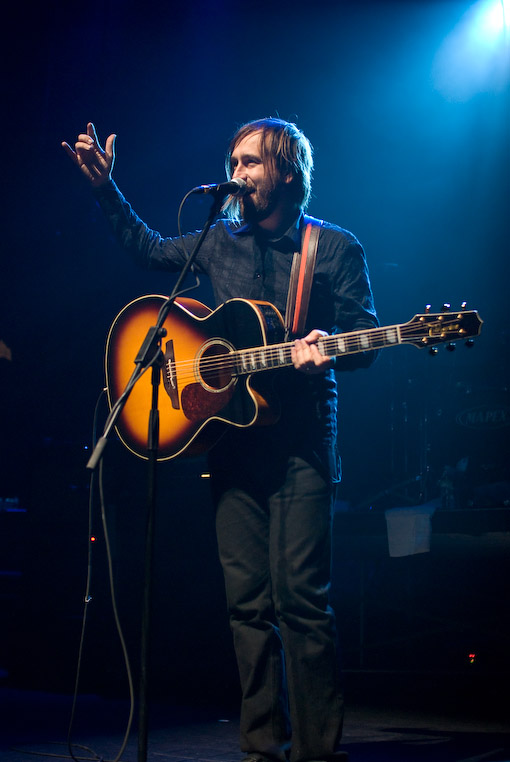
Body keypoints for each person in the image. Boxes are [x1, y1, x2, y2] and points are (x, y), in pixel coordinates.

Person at [63, 118, 378, 762]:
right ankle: (262, 747)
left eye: (250, 163)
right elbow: (149, 251)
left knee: (302, 604)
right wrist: (106, 189)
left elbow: (365, 336)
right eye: (233, 162)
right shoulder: (218, 242)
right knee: (246, 606)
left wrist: (329, 351)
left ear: (286, 173)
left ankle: (319, 753)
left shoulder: (334, 248)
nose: (236, 174)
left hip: (302, 448)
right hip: (231, 446)